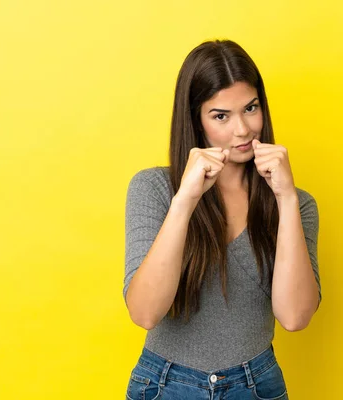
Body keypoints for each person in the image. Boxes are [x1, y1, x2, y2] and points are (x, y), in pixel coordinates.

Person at [123, 39, 322, 400]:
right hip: (165, 385)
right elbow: (145, 313)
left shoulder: (297, 205)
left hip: (256, 386)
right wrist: (185, 201)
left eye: (251, 108)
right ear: (196, 121)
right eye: (221, 116)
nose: (243, 130)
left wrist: (287, 199)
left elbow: (294, 318)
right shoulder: (153, 189)